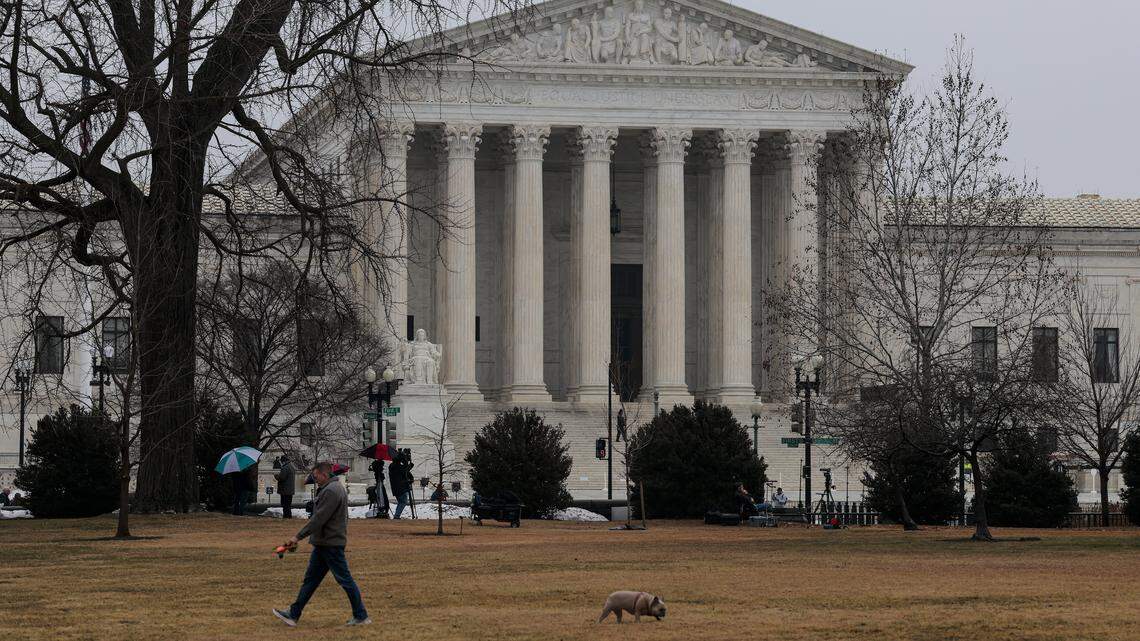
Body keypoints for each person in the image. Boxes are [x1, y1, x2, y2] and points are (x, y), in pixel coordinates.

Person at [273, 462, 370, 627]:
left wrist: (297, 537)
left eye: (316, 476)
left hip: (330, 544)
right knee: (310, 581)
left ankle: (361, 615)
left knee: (345, 580)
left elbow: (319, 519)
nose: (314, 479)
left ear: (325, 475)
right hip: (325, 543)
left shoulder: (332, 491)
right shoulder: (333, 488)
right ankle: (293, 614)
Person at [389, 451, 413, 519]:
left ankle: (397, 515)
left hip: (396, 488)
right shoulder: (398, 467)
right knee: (403, 502)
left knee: (400, 502)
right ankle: (397, 516)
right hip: (401, 488)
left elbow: (404, 471)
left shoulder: (391, 466)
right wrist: (408, 464)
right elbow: (405, 471)